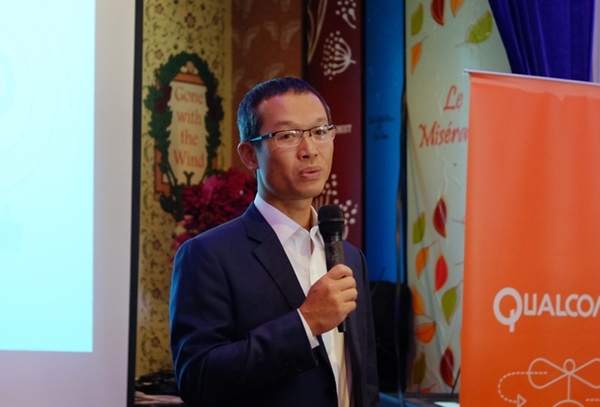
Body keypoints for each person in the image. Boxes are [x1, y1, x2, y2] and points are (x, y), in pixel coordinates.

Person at [169, 77, 379, 407]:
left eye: (320, 131)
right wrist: (305, 323)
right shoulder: (209, 256)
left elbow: (361, 379)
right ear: (249, 155)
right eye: (288, 135)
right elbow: (198, 379)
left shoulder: (350, 257)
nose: (310, 150)